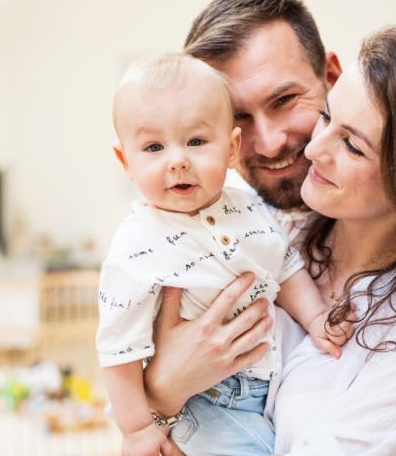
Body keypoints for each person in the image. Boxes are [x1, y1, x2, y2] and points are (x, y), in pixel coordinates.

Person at [143, 0, 396, 454]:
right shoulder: (257, 224)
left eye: (284, 100)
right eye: (238, 116)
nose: (271, 143)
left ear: (330, 74)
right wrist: (157, 396)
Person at [96, 53, 352, 456]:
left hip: (269, 384)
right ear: (125, 160)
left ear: (231, 148)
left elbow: (284, 267)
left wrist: (317, 316)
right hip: (207, 403)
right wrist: (137, 430)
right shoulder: (134, 249)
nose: (177, 160)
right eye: (153, 147)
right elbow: (118, 352)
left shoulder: (248, 209)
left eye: (196, 142)